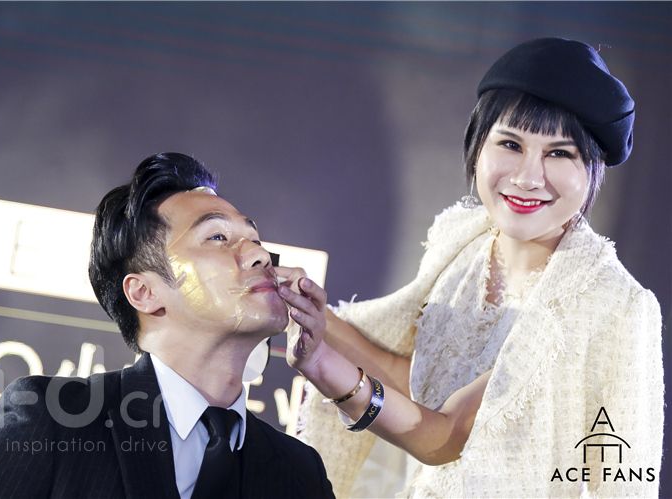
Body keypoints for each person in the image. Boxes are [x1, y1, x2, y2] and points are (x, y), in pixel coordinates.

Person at [279, 38, 664, 498]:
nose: (527, 177)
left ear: (593, 168)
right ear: (478, 145)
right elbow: (421, 385)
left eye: (560, 153)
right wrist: (308, 314)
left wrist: (324, 366)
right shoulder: (462, 243)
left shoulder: (612, 306)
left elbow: (446, 435)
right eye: (511, 144)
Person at [0, 152, 334, 499]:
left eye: (255, 239)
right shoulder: (53, 422)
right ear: (144, 293)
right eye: (217, 237)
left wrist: (327, 367)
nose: (259, 256)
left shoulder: (300, 472)